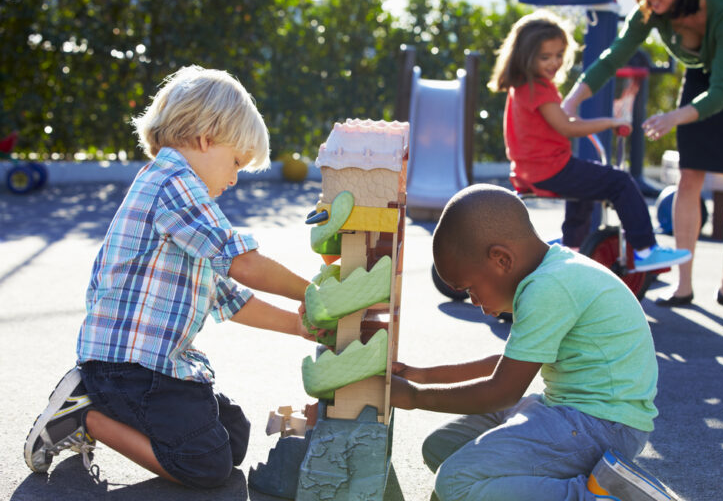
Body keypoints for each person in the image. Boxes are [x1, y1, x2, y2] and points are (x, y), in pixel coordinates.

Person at [23, 66, 318, 488]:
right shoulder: (174, 183)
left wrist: (299, 325)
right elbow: (245, 264)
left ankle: (97, 407)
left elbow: (229, 298)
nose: (234, 178)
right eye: (235, 162)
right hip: (128, 370)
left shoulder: (179, 198)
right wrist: (315, 292)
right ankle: (84, 415)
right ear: (206, 138)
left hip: (149, 369)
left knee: (234, 438)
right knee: (207, 466)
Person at [390, 183, 678, 501]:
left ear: (501, 259)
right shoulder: (553, 271)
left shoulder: (548, 288)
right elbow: (508, 366)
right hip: (573, 414)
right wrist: (420, 375)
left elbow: (503, 391)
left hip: (602, 425)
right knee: (441, 449)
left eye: (470, 288)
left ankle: (600, 495)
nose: (472, 301)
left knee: (455, 483)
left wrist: (415, 396)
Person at [563, 0, 723, 310]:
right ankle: (683, 286)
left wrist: (672, 117)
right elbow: (614, 55)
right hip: (702, 76)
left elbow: (722, 92)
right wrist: (572, 100)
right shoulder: (651, 10)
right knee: (689, 177)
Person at [488, 10, 691, 273]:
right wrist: (611, 122)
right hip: (549, 168)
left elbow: (553, 123)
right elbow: (567, 127)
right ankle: (645, 250)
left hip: (528, 170)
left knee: (585, 181)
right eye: (545, 57)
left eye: (559, 55)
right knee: (620, 181)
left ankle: (572, 247)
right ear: (525, 56)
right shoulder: (540, 88)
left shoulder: (520, 88)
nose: (555, 63)